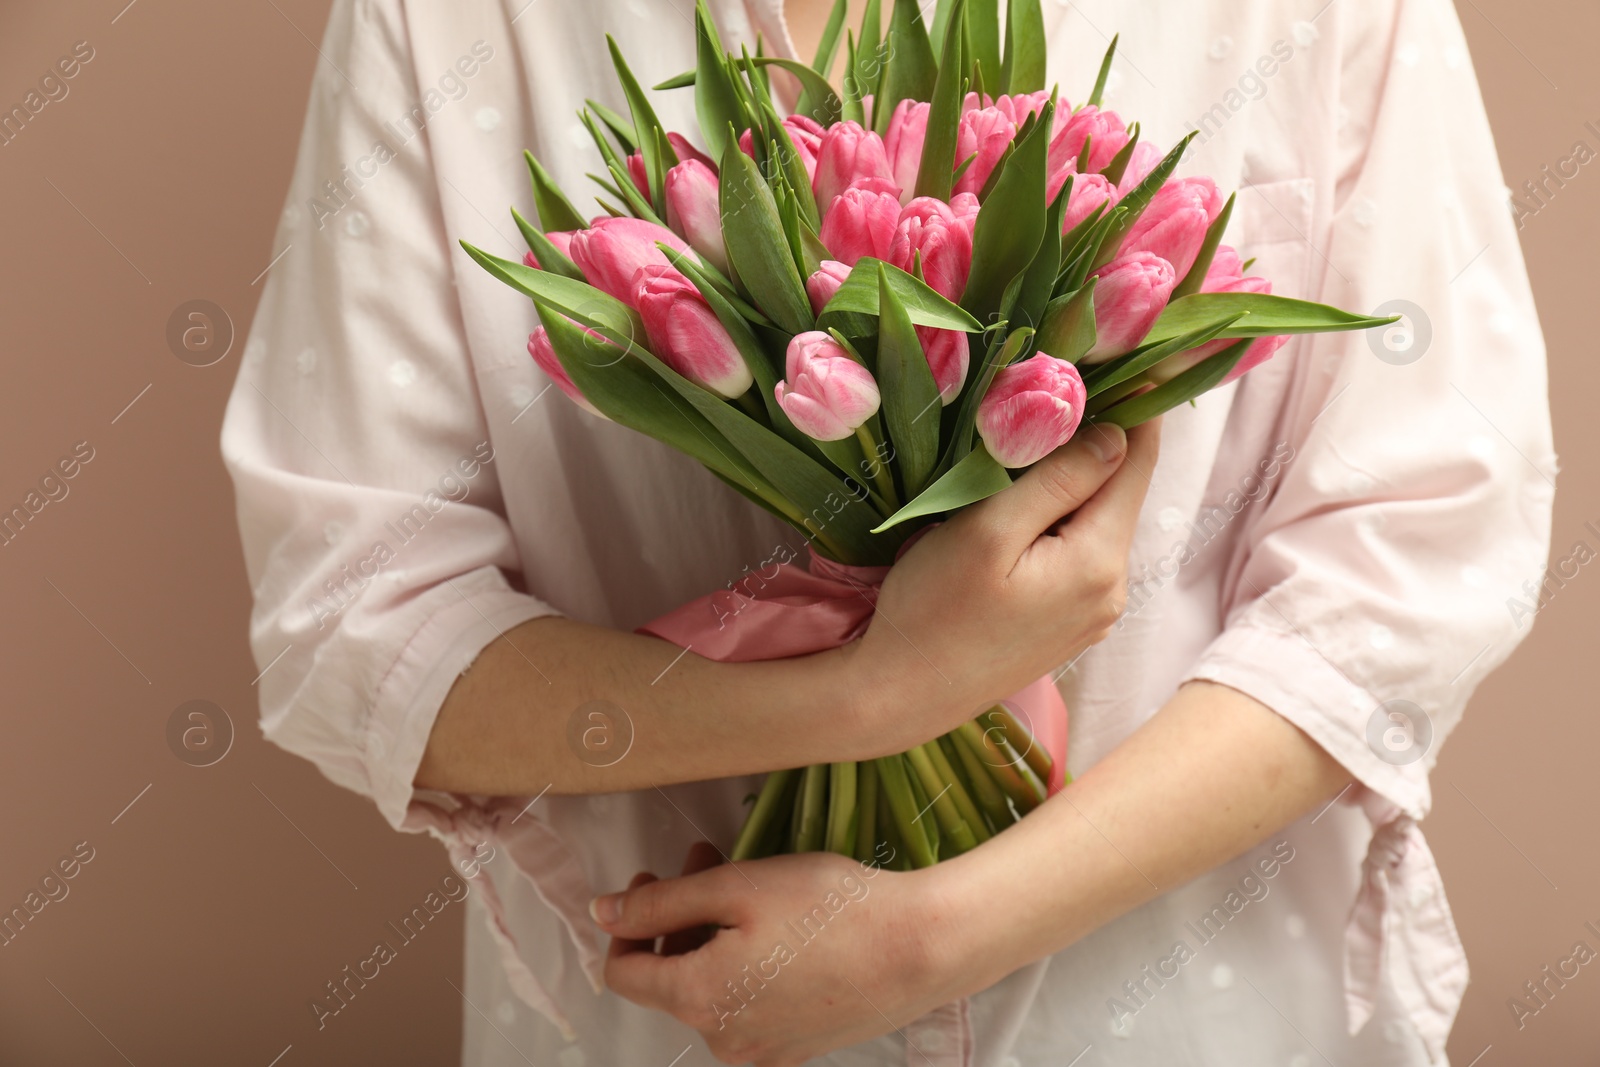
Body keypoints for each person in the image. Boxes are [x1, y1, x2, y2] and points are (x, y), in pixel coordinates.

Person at [221, 0, 1554, 1063]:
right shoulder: (444, 20)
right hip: (680, 1030)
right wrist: (872, 696)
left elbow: (1414, 553)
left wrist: (936, 936)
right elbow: (358, 618)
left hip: (1186, 1017)